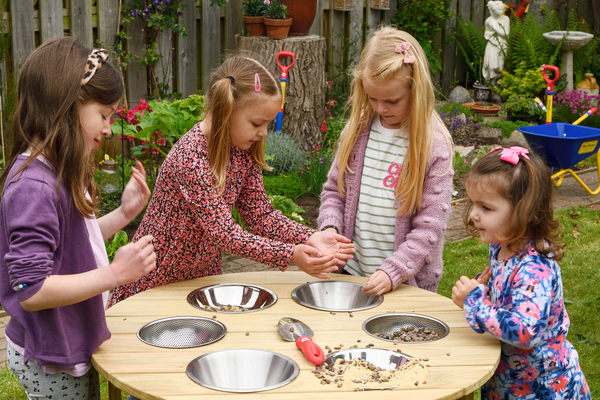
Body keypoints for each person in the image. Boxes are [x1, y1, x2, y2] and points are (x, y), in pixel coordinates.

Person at [109, 56, 354, 307]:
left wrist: (309, 237)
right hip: (156, 277)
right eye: (257, 123)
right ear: (225, 110)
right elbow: (225, 234)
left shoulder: (241, 151)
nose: (264, 133)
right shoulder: (190, 157)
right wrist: (289, 254)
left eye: (268, 124)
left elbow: (261, 216)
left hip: (201, 277)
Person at [0, 37, 156, 399]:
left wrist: (124, 214)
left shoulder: (55, 172)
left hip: (67, 343)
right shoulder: (34, 188)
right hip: (49, 357)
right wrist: (115, 274)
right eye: (103, 116)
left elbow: (70, 249)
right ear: (66, 107)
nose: (107, 130)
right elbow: (31, 288)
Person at [318, 26, 454, 297]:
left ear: (416, 90)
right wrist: (330, 229)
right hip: (351, 274)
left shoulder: (433, 145)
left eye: (391, 100)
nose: (380, 108)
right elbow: (334, 192)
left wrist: (394, 270)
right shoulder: (356, 133)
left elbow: (430, 224)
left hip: (405, 283)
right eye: (372, 98)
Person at [452, 147, 591, 399]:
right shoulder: (501, 245)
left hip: (542, 386)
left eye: (486, 207)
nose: (473, 215)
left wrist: (474, 303)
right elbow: (510, 298)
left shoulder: (534, 268)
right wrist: (486, 288)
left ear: (523, 212)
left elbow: (525, 332)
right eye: (473, 203)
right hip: (511, 376)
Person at [482, 0, 510, 83]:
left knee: (500, 66)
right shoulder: (488, 21)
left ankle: (498, 88)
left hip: (502, 44)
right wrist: (491, 33)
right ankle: (492, 86)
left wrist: (495, 28)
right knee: (491, 64)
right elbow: (486, 34)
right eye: (499, 10)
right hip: (492, 44)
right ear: (494, 10)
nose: (502, 11)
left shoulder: (506, 19)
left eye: (502, 10)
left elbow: (506, 33)